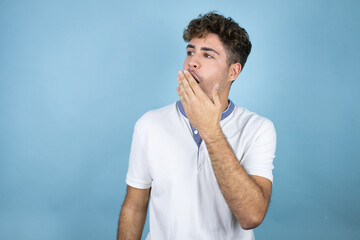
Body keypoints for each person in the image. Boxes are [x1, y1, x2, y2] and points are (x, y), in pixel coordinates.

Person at [117, 12, 276, 240]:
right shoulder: (149, 124)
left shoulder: (258, 129)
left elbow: (251, 216)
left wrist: (210, 131)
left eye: (208, 55)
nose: (192, 61)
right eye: (190, 52)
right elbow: (134, 207)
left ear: (233, 71)